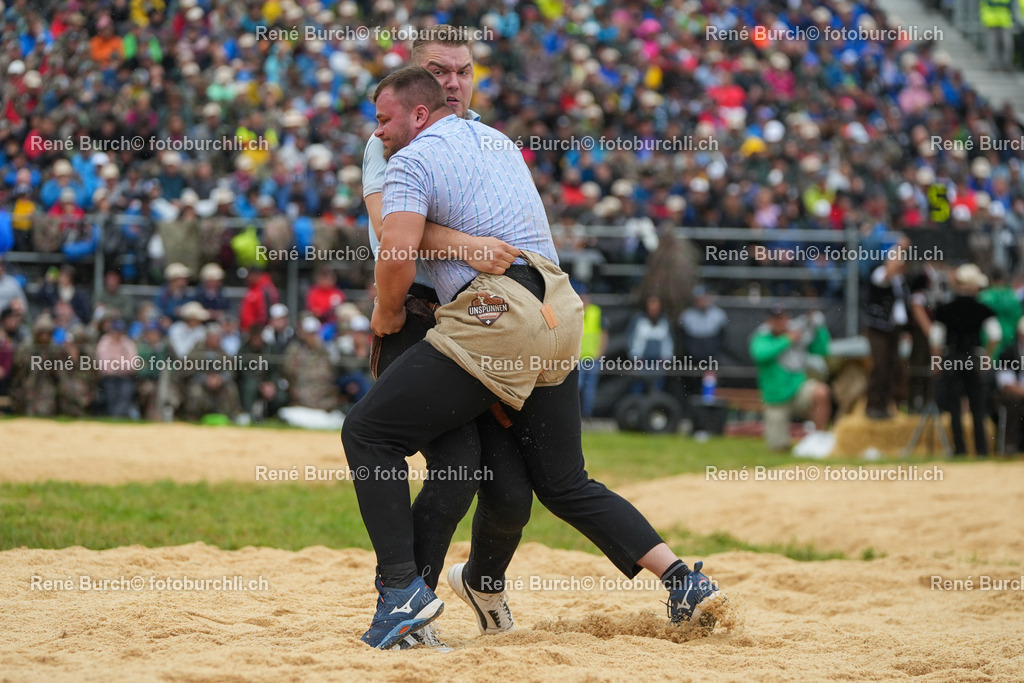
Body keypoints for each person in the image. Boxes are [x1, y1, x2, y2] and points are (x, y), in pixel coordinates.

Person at [343, 66, 722, 651]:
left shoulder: (411, 159)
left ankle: (402, 593)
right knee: (556, 481)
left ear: (418, 113)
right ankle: (681, 579)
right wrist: (470, 245)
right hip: (560, 311)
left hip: (493, 320)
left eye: (385, 119)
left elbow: (395, 246)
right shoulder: (496, 143)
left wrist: (387, 313)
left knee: (369, 434)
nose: (379, 132)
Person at [932, 264, 1001, 456]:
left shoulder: (944, 309)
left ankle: (959, 449)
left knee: (954, 406)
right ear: (973, 286)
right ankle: (981, 449)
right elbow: (996, 335)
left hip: (951, 358)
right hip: (974, 358)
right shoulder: (982, 309)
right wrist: (987, 356)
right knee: (977, 405)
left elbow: (935, 340)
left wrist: (937, 363)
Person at [749, 305, 832, 451]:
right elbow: (760, 354)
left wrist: (819, 328)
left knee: (821, 392)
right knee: (778, 448)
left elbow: (822, 350)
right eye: (776, 319)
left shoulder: (798, 334)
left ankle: (820, 438)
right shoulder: (762, 336)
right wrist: (787, 339)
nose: (780, 322)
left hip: (797, 389)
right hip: (776, 398)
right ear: (770, 321)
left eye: (783, 318)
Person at [862, 242, 909, 419]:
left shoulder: (900, 280)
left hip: (893, 328)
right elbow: (888, 273)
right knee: (880, 365)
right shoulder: (880, 273)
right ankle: (873, 405)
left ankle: (885, 405)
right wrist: (899, 248)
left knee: (892, 367)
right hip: (878, 328)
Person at [678, 285, 728, 397]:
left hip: (711, 359)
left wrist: (712, 355)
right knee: (691, 388)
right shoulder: (686, 316)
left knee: (710, 384)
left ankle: (708, 405)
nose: (702, 302)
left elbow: (722, 340)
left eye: (704, 298)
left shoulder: (718, 315)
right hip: (692, 360)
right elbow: (684, 341)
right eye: (699, 299)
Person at [626, 295, 674, 394]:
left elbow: (669, 342)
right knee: (637, 390)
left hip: (659, 363)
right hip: (640, 362)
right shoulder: (638, 320)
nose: (653, 308)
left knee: (657, 391)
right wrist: (634, 357)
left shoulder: (664, 321)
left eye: (656, 305)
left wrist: (666, 358)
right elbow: (629, 339)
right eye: (650, 304)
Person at [95, 318, 139, 418]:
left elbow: (133, 363)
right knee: (111, 391)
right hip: (109, 377)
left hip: (125, 376)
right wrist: (120, 366)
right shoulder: (104, 342)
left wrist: (116, 365)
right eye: (116, 331)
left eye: (120, 331)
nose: (118, 334)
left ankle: (120, 415)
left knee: (126, 391)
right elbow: (104, 365)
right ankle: (113, 414)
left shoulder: (128, 343)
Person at [994, 318, 1024, 454]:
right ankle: (1009, 445)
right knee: (1014, 401)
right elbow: (1006, 385)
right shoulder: (1008, 353)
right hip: (1010, 395)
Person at [578, 292, 609, 419]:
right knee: (577, 387)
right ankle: (577, 413)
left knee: (589, 389)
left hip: (592, 358)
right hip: (577, 358)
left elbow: (604, 333)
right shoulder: (575, 312)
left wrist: (601, 352)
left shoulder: (596, 312)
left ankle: (587, 414)